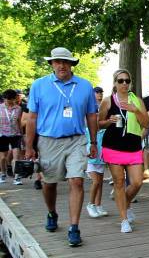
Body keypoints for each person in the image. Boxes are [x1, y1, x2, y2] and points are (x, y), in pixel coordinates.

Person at [25, 47, 98, 247]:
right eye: (57, 61)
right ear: (51, 64)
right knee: (49, 183)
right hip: (48, 141)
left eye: (65, 62)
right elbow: (32, 118)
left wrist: (93, 142)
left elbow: (92, 115)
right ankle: (52, 212)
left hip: (76, 139)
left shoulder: (84, 86)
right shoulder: (39, 85)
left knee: (76, 181)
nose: (62, 65)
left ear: (71, 64)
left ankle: (74, 227)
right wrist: (29, 146)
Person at [98, 70, 149, 233]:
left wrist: (136, 110)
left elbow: (146, 123)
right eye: (120, 81)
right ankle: (124, 219)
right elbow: (99, 123)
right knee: (119, 182)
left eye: (127, 80)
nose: (124, 84)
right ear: (115, 83)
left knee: (137, 182)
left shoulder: (137, 101)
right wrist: (108, 121)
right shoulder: (107, 101)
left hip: (133, 145)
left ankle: (125, 204)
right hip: (113, 145)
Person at [85, 86, 108, 218]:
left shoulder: (104, 130)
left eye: (100, 92)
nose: (99, 94)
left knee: (100, 183)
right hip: (91, 156)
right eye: (97, 92)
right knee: (95, 182)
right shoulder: (88, 130)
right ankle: (90, 204)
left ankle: (98, 205)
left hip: (101, 157)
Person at [0, 89, 24, 185]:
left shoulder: (18, 108)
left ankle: (17, 177)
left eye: (10, 99)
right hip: (2, 134)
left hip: (15, 134)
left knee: (16, 157)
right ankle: (3, 173)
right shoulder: (0, 107)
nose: (8, 101)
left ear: (14, 99)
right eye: (6, 99)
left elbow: (19, 121)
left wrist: (22, 135)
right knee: (2, 158)